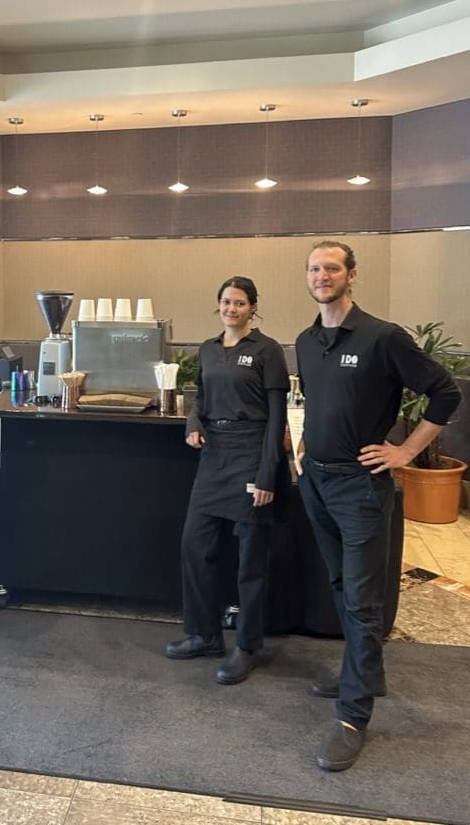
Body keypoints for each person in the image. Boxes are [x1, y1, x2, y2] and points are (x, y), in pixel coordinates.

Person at [295, 240, 461, 772]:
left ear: (352, 275)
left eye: (332, 268)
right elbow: (321, 403)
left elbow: (445, 393)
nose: (322, 276)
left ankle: (352, 716)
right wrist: (304, 445)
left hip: (360, 488)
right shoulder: (305, 339)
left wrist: (407, 451)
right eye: (314, 269)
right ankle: (365, 674)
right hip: (315, 483)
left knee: (363, 601)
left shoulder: (382, 337)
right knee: (342, 585)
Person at [166, 276, 290, 685]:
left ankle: (248, 646)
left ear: (253, 307)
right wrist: (193, 422)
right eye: (225, 302)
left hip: (252, 453)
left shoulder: (267, 351)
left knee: (249, 559)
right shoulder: (208, 349)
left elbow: (277, 419)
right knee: (194, 545)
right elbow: (199, 395)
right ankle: (203, 635)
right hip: (214, 456)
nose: (231, 309)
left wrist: (269, 472)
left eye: (239, 303)